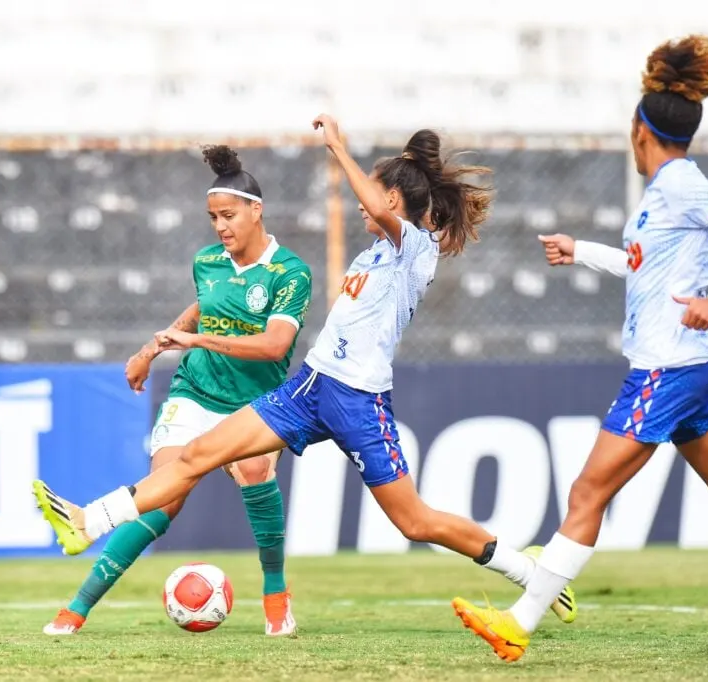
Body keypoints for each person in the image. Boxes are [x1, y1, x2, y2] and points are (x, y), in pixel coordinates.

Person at [33, 114, 578, 625]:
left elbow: (380, 213)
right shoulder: (374, 255)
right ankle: (89, 522)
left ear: (390, 198)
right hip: (309, 388)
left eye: (371, 193)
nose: (360, 205)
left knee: (414, 521)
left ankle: (530, 571)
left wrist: (338, 147)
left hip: (359, 402)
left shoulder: (415, 247)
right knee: (200, 455)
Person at [452, 34, 708, 662]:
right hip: (684, 369)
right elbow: (648, 268)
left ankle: (519, 622)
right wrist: (582, 251)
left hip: (665, 372)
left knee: (587, 493)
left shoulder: (684, 186)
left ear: (640, 130)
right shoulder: (663, 195)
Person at [38, 145, 312, 637]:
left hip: (255, 402)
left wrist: (196, 337)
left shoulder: (290, 272)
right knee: (162, 497)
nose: (220, 227)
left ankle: (276, 593)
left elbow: (275, 346)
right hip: (196, 389)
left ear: (256, 210)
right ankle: (77, 608)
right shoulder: (208, 260)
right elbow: (202, 307)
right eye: (212, 218)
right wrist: (153, 347)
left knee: (253, 469)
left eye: (228, 216)